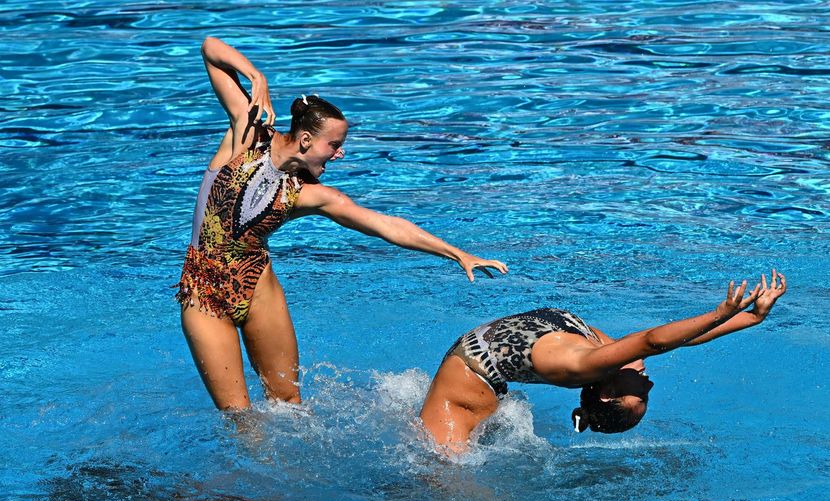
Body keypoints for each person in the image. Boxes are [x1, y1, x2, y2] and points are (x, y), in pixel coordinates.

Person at [176, 37, 508, 410]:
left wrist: (456, 253)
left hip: (258, 288)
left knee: (288, 400)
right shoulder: (247, 133)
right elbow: (209, 47)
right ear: (304, 140)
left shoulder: (310, 194)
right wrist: (256, 76)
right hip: (204, 291)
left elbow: (385, 225)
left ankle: (292, 466)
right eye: (333, 145)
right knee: (238, 413)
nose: (340, 152)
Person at [419, 270, 787, 453]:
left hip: (466, 385)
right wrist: (751, 318)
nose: (649, 384)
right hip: (474, 365)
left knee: (440, 482)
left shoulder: (588, 365)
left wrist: (719, 312)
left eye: (639, 393)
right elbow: (679, 343)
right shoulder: (603, 355)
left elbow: (654, 340)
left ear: (608, 392)